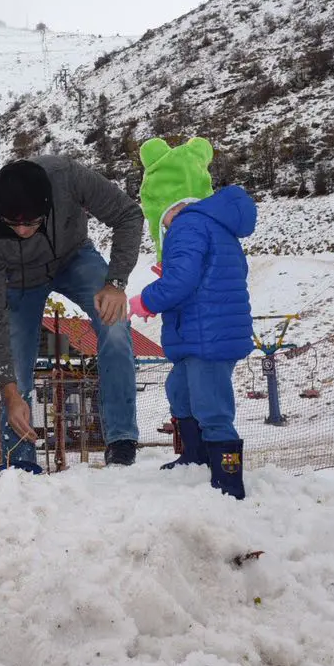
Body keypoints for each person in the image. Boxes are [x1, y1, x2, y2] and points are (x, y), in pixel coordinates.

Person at [0, 156, 143, 467]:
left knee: (115, 326)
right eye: (13, 224)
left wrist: (116, 282)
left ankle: (121, 440)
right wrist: (9, 391)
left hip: (73, 258)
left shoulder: (68, 177)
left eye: (32, 222)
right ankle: (19, 461)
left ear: (48, 205)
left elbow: (128, 214)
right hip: (19, 281)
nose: (22, 231)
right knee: (16, 368)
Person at [129, 137, 256, 499]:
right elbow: (206, 275)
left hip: (208, 335)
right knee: (180, 390)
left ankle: (228, 479)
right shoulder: (210, 226)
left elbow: (182, 282)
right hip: (206, 329)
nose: (160, 225)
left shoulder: (186, 227)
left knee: (211, 405)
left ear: (169, 204)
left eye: (158, 216)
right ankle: (196, 455)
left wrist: (147, 300)